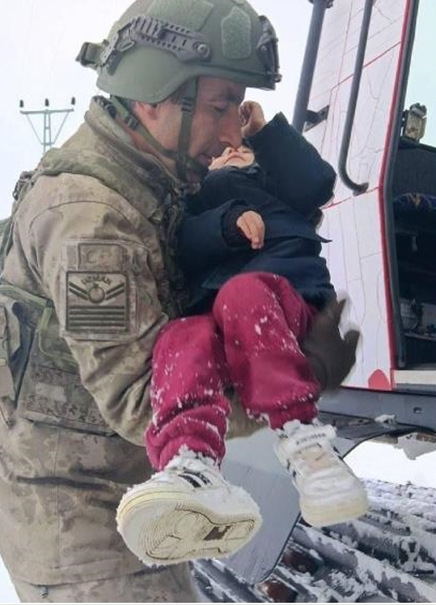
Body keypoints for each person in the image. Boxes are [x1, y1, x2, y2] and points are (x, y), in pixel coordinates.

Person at [0, 0, 355, 602]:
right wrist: (291, 377)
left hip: (133, 495)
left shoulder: (158, 176)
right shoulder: (89, 218)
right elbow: (137, 400)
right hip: (83, 527)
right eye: (220, 106)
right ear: (154, 100)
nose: (235, 127)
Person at [115, 102, 366, 566]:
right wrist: (226, 224)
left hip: (283, 305)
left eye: (241, 152)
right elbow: (182, 243)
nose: (230, 155)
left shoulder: (282, 191)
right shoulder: (197, 203)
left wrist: (266, 132)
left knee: (242, 294)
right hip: (219, 322)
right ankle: (191, 463)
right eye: (220, 156)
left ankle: (304, 441)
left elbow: (313, 181)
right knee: (181, 336)